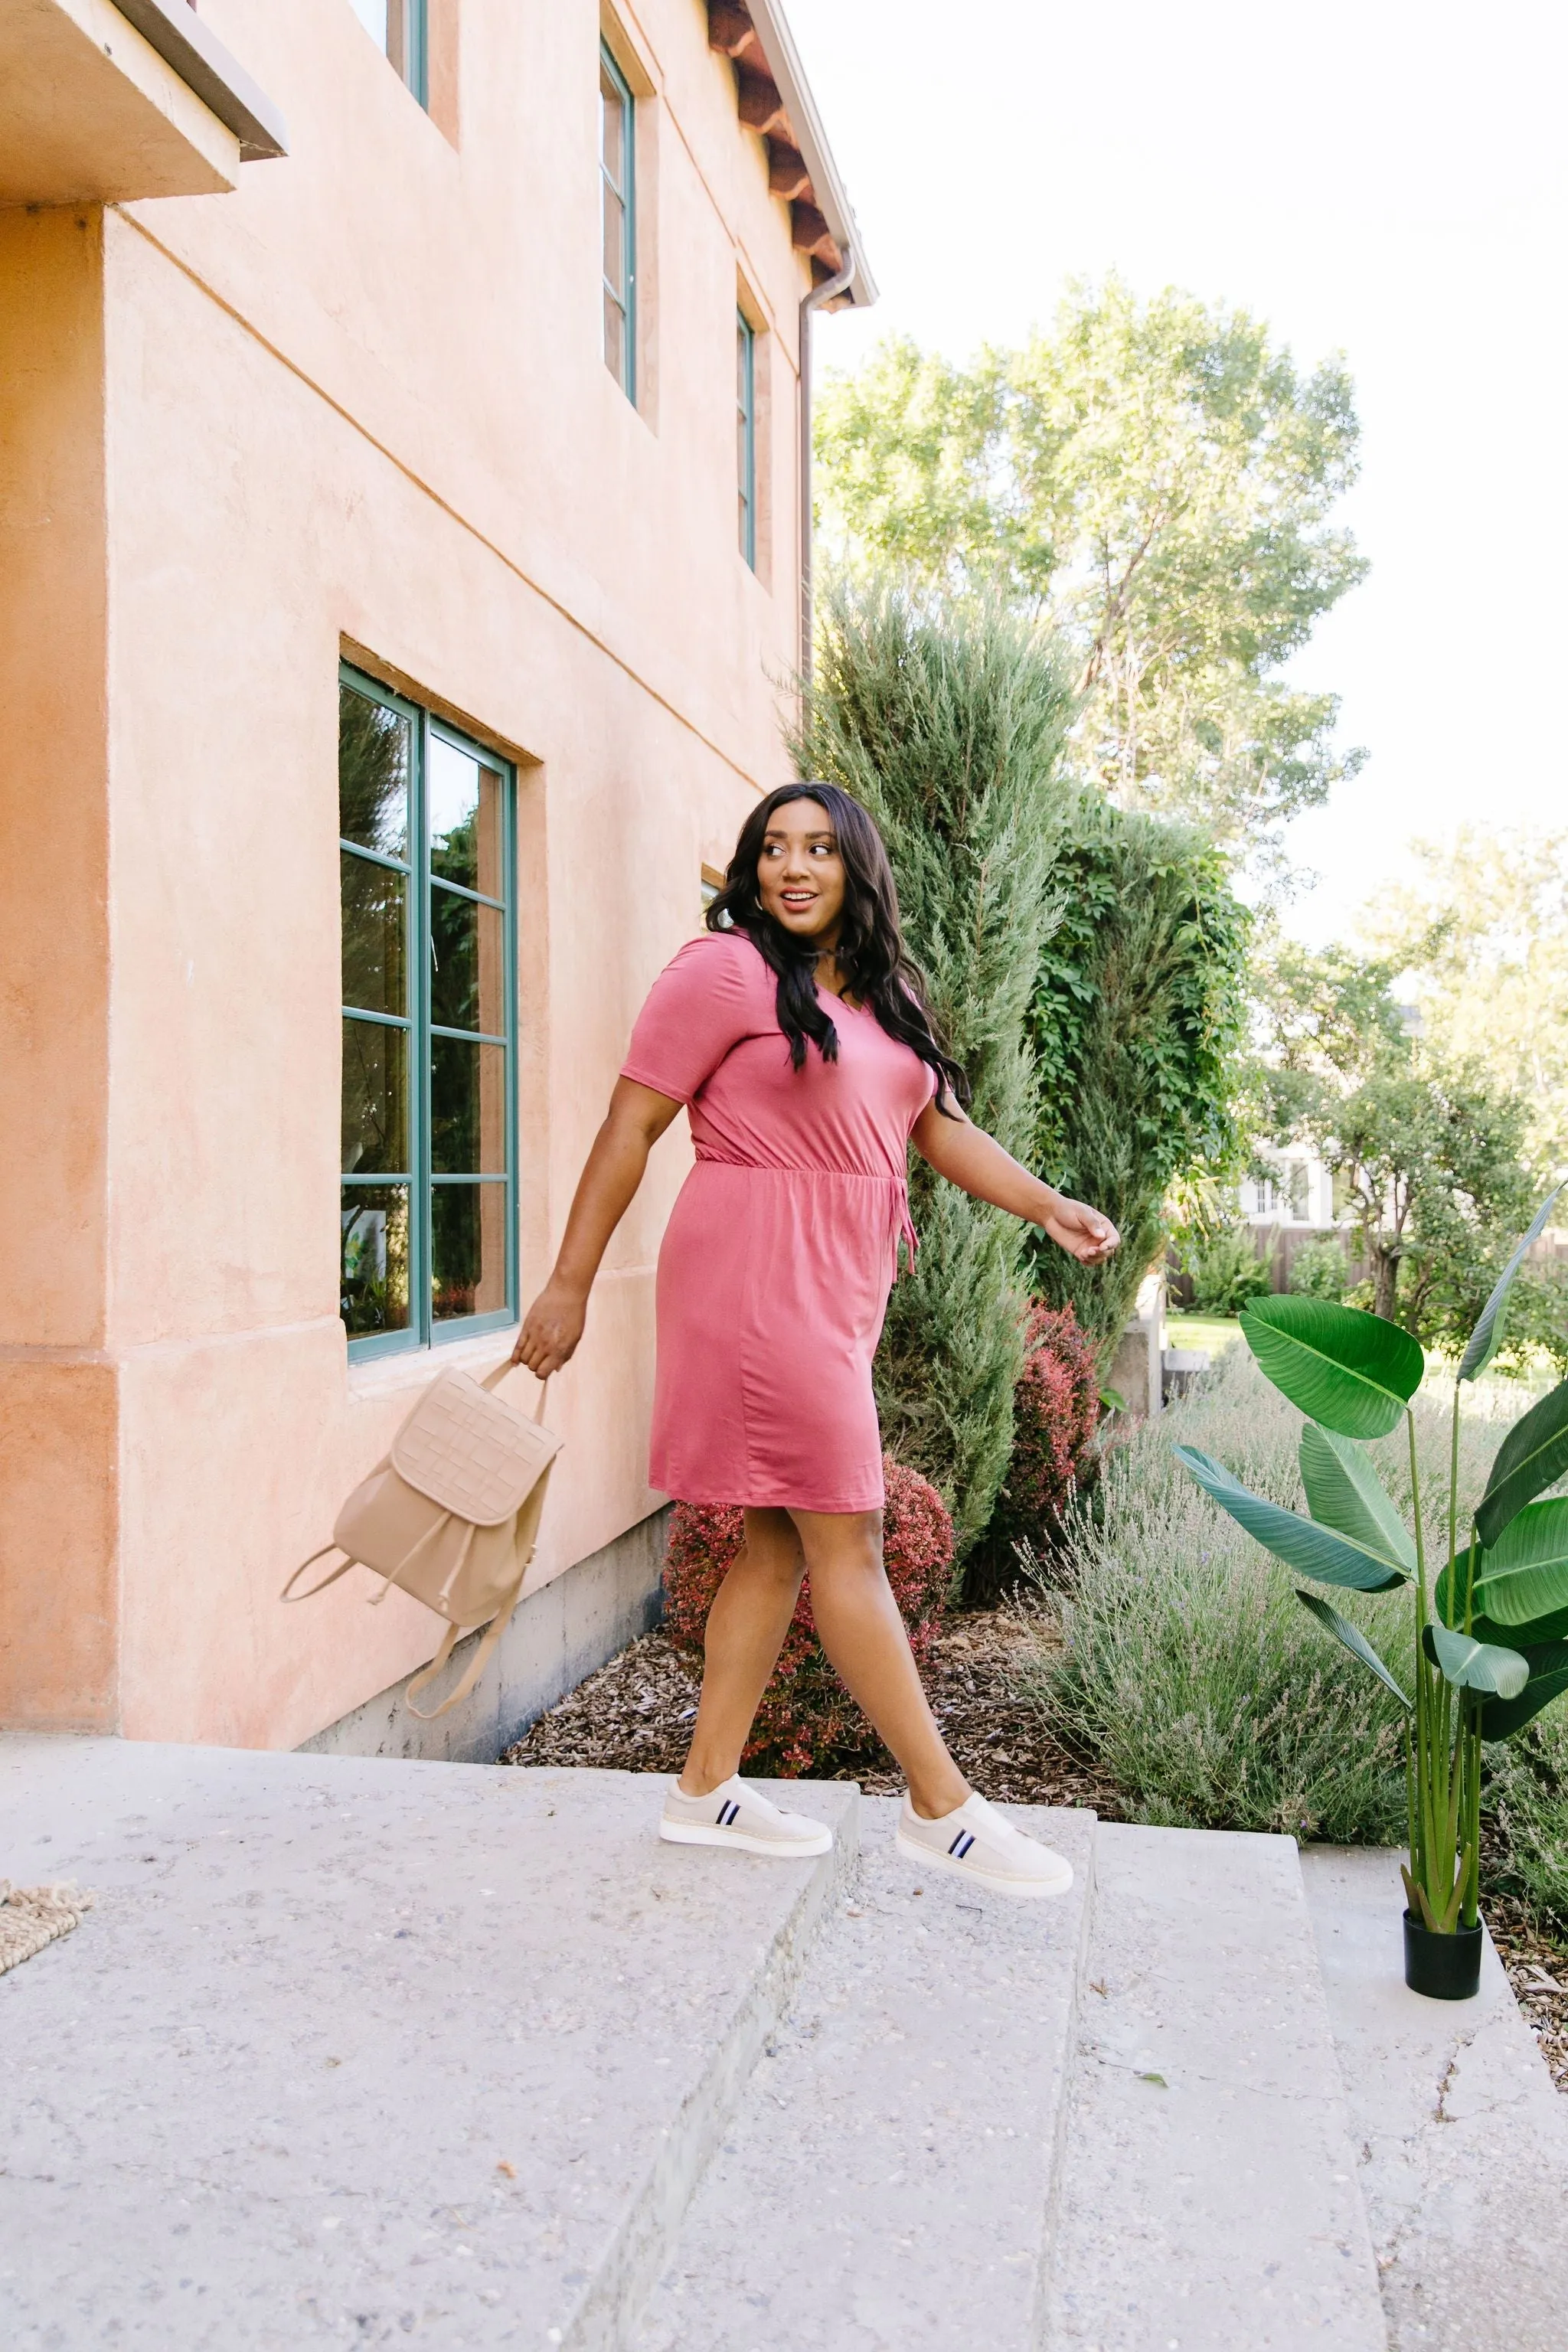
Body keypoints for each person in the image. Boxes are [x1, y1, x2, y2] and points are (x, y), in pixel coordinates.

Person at [512, 782, 1119, 1897]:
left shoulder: (883, 997)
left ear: (858, 870)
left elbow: (935, 1127)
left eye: (821, 849)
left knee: (778, 1545)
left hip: (837, 1286)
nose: (796, 867)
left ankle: (703, 1788)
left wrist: (1043, 1204)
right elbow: (631, 1125)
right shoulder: (722, 972)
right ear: (752, 867)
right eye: (775, 848)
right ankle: (943, 1809)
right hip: (751, 1277)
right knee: (848, 1534)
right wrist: (567, 1284)